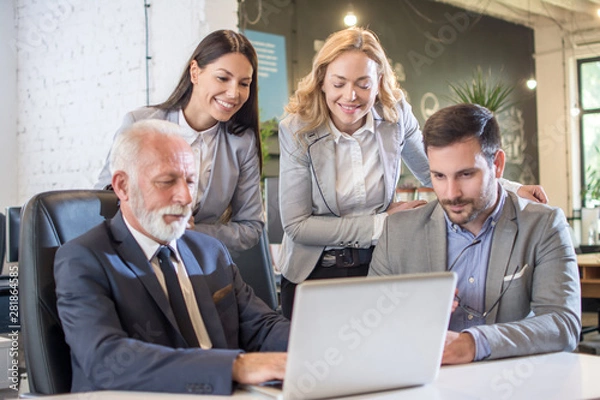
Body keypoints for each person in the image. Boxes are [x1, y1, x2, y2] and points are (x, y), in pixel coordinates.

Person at [277, 27, 548, 319]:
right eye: (339, 83)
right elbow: (297, 226)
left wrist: (509, 187)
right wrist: (383, 224)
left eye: (363, 84)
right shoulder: (297, 129)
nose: (350, 96)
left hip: (380, 265)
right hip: (315, 274)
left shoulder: (394, 115)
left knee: (383, 360)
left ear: (379, 81)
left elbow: (433, 168)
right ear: (322, 82)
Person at [56, 120, 289, 394]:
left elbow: (262, 326)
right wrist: (235, 367)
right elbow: (106, 360)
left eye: (190, 181)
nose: (185, 196)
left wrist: (317, 347)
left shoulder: (210, 252)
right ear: (122, 186)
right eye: (167, 182)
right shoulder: (84, 259)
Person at [369, 103, 581, 364]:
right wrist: (413, 316)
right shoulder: (398, 232)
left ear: (498, 165)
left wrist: (474, 344)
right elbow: (369, 326)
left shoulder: (544, 225)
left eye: (466, 174)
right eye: (439, 176)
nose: (451, 193)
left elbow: (563, 324)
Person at [95, 29, 263, 252]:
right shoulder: (140, 122)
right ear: (195, 72)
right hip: (132, 256)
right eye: (222, 78)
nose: (234, 93)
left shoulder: (242, 143)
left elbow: (251, 228)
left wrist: (194, 232)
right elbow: (103, 201)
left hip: (198, 262)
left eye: (244, 83)